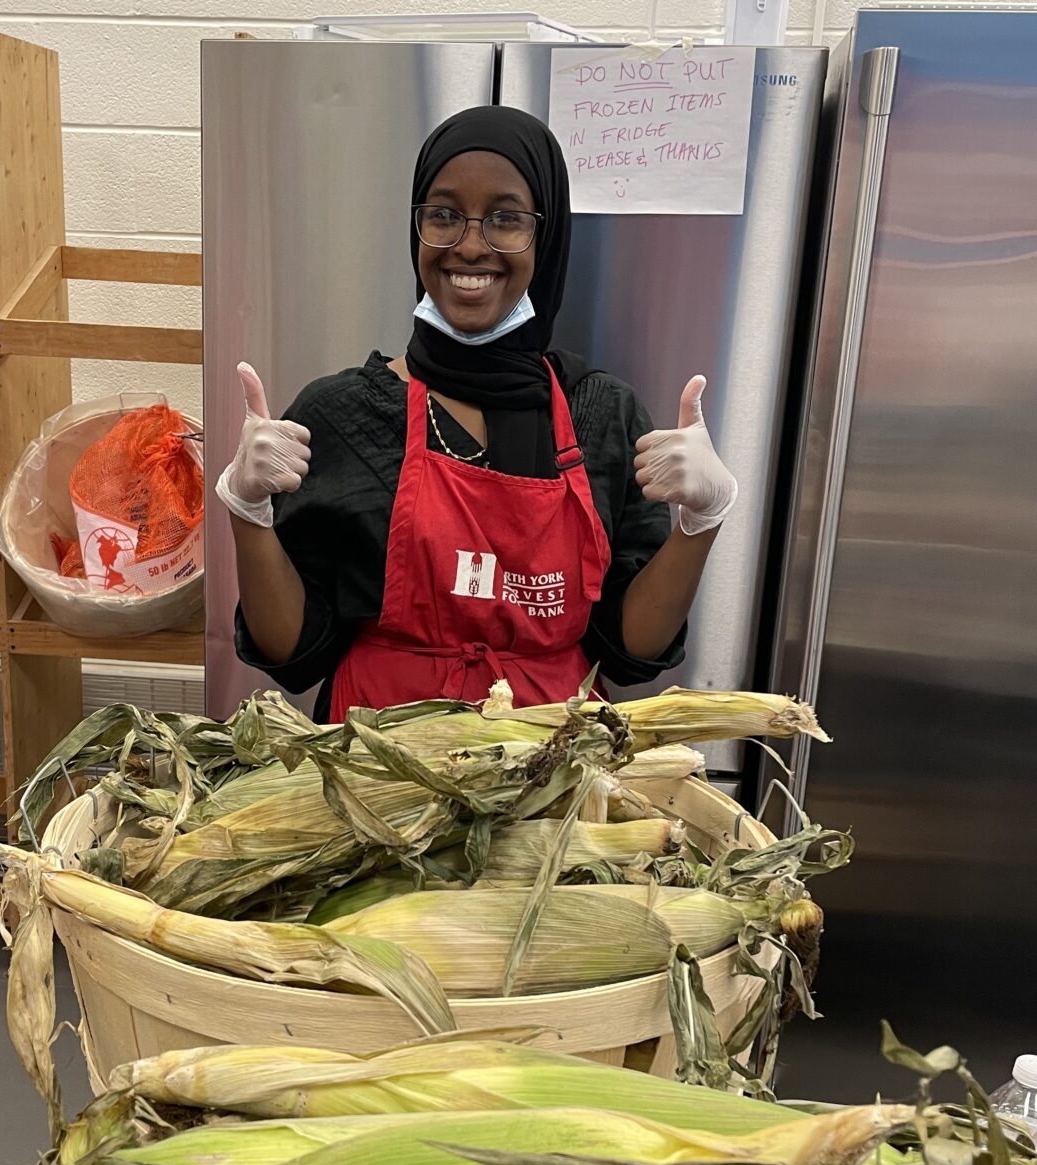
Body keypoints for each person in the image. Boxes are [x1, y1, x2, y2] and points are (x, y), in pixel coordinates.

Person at [216, 106, 737, 723]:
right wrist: (248, 513)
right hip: (378, 773)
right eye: (443, 215)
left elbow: (630, 648)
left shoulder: (602, 414)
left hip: (549, 779)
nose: (469, 245)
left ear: (545, 238)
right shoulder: (341, 414)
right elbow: (292, 653)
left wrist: (701, 522)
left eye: (505, 219)